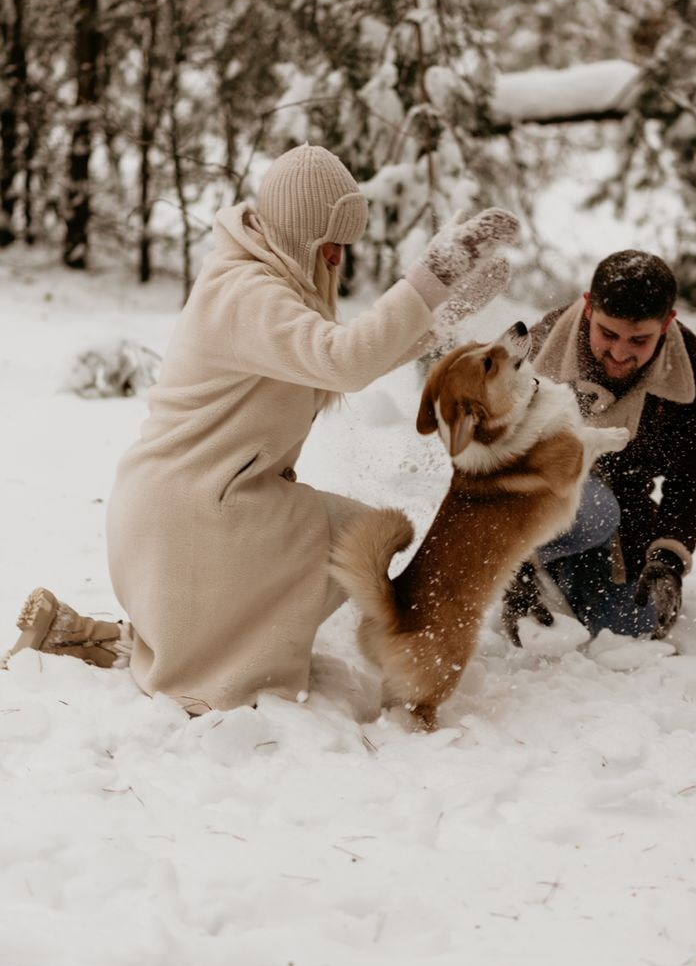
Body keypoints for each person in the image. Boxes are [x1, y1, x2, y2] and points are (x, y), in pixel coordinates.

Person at [6, 144, 518, 712]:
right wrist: (431, 278)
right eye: (331, 244)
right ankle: (211, 665)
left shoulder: (265, 280)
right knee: (358, 542)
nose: (336, 259)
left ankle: (143, 640)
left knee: (362, 534)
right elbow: (345, 361)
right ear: (302, 236)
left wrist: (442, 316)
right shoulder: (246, 294)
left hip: (194, 505)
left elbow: (337, 362)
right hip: (192, 513)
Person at [501, 249, 696, 644]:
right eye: (609, 334)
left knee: (634, 626)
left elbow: (692, 474)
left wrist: (667, 559)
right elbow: (498, 459)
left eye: (639, 340)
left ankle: (564, 575)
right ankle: (526, 567)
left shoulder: (691, 364)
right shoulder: (541, 346)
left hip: (625, 521)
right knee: (596, 508)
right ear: (588, 309)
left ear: (667, 324)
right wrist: (513, 562)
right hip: (538, 503)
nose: (620, 353)